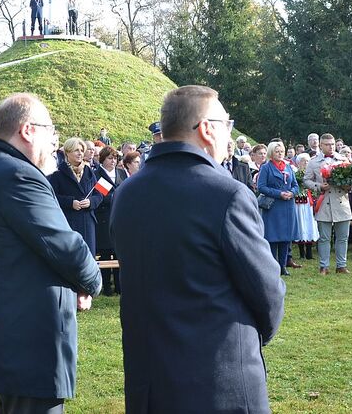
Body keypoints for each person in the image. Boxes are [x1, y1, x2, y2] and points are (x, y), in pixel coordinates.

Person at [111, 85, 285, 413]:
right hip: (219, 382)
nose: (228, 137)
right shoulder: (227, 194)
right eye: (226, 126)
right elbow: (267, 292)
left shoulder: (127, 193)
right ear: (207, 129)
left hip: (150, 382)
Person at [0, 93, 102, 413]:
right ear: (27, 130)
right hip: (26, 346)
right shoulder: (17, 175)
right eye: (51, 131)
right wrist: (90, 281)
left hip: (7, 341)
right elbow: (65, 246)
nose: (55, 141)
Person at [303, 134, 352, 274]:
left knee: (343, 237)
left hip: (341, 202)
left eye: (332, 144)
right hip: (324, 202)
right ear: (320, 145)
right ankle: (324, 266)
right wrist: (318, 186)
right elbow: (306, 180)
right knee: (324, 237)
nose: (330, 147)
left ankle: (341, 265)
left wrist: (348, 186)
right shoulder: (313, 162)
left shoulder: (343, 160)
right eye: (327, 144)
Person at [48, 138, 103, 257]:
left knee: (89, 259)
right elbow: (51, 196)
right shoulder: (57, 173)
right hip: (68, 222)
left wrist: (91, 202)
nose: (80, 153)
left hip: (88, 222)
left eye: (82, 150)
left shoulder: (88, 171)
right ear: (67, 152)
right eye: (76, 150)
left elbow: (99, 194)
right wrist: (70, 202)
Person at [257, 141, 299, 275]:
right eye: (277, 151)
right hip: (274, 206)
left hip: (288, 206)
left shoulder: (288, 167)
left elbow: (296, 185)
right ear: (271, 153)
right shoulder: (266, 167)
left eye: (282, 151)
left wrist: (292, 192)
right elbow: (261, 187)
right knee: (273, 237)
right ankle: (272, 266)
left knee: (286, 238)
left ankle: (283, 266)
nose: (280, 154)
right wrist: (279, 194)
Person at [94, 146, 123, 295]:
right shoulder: (97, 174)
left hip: (119, 218)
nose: (113, 161)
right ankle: (106, 286)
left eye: (115, 158)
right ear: (103, 160)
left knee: (119, 253)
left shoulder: (121, 173)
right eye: (110, 158)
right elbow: (101, 197)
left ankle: (119, 285)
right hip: (104, 218)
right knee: (105, 253)